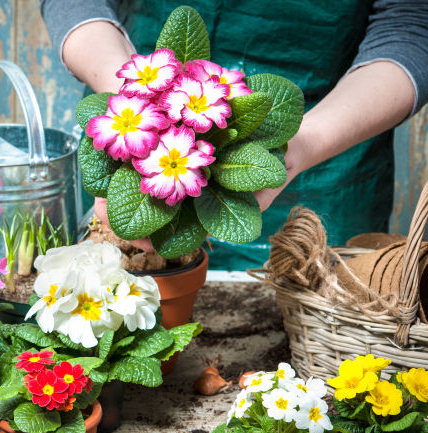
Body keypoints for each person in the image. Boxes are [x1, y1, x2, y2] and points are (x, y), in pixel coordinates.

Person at [41, 0, 428, 271]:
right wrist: (131, 89)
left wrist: (301, 144)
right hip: (135, 99)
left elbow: (412, 24)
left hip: (327, 152)